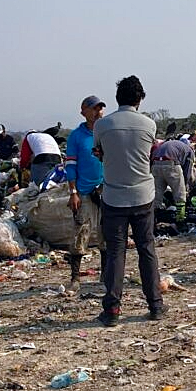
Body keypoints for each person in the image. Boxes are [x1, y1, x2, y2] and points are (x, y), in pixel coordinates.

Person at [93, 75, 165, 326]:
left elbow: (99, 152)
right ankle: (155, 305)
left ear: (117, 98)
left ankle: (112, 309)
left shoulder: (102, 125)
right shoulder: (149, 125)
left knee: (115, 252)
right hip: (143, 195)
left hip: (113, 196)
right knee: (146, 249)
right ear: (139, 99)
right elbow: (147, 155)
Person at [65, 95, 107, 290]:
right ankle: (75, 278)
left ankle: (106, 276)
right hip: (84, 191)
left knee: (106, 232)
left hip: (106, 189)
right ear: (84, 112)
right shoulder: (76, 136)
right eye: (94, 109)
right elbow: (71, 165)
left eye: (100, 109)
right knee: (81, 233)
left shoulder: (107, 132)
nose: (98, 112)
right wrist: (73, 191)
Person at [151, 137, 195, 221]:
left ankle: (155, 216)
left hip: (155, 165)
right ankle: (180, 217)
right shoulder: (189, 151)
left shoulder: (167, 144)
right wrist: (185, 185)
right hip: (171, 164)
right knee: (179, 192)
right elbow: (187, 170)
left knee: (157, 192)